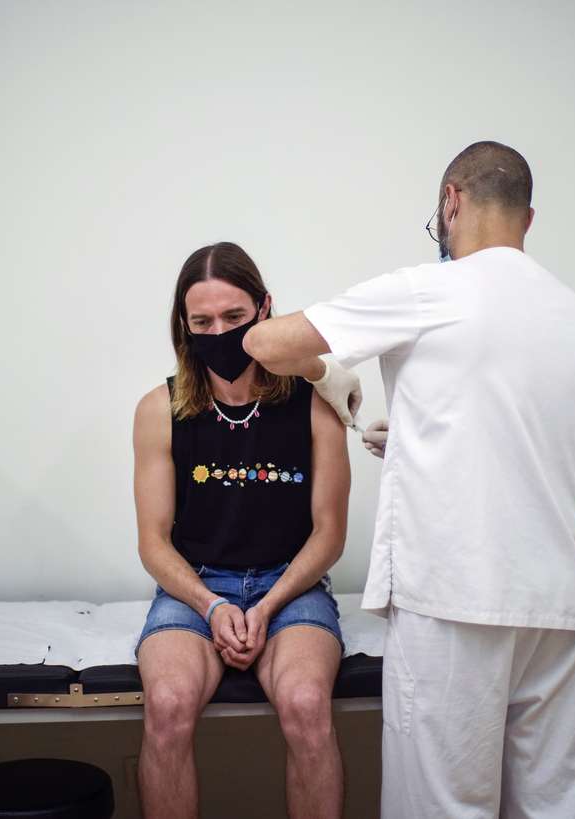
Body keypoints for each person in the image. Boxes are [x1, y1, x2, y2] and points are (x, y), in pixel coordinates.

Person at [244, 141, 575, 818]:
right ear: (527, 220)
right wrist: (418, 437)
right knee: (552, 808)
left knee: (444, 808)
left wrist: (323, 370)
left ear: (451, 200)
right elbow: (541, 441)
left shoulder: (427, 289)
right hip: (559, 609)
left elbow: (264, 345)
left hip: (458, 603)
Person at [132, 241, 351, 819]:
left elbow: (329, 533)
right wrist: (209, 605)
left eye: (234, 317)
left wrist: (268, 603)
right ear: (183, 325)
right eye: (202, 322)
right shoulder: (162, 408)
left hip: (291, 586)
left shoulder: (314, 405)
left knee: (307, 704)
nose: (219, 333)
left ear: (265, 310)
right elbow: (153, 541)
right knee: (168, 703)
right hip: (195, 588)